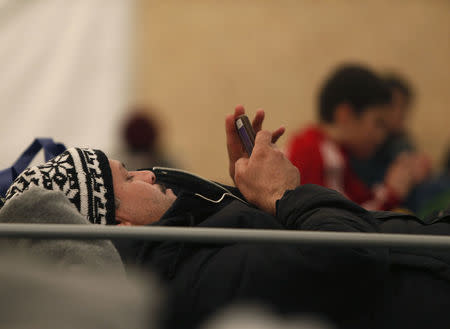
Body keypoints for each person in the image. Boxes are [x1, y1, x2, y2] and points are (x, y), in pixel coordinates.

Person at [3, 106, 450, 329]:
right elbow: (352, 258)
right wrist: (283, 193)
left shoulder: (184, 253)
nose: (147, 173)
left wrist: (243, 194)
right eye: (127, 177)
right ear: (119, 222)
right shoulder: (189, 279)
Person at [285, 64, 419, 210]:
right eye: (378, 123)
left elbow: (358, 202)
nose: (382, 136)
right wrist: (390, 194)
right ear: (345, 114)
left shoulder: (334, 153)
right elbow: (341, 221)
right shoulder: (316, 153)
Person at [350, 73, 430, 189]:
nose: (399, 113)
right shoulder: (365, 140)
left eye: (404, 107)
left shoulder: (401, 142)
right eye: (393, 106)